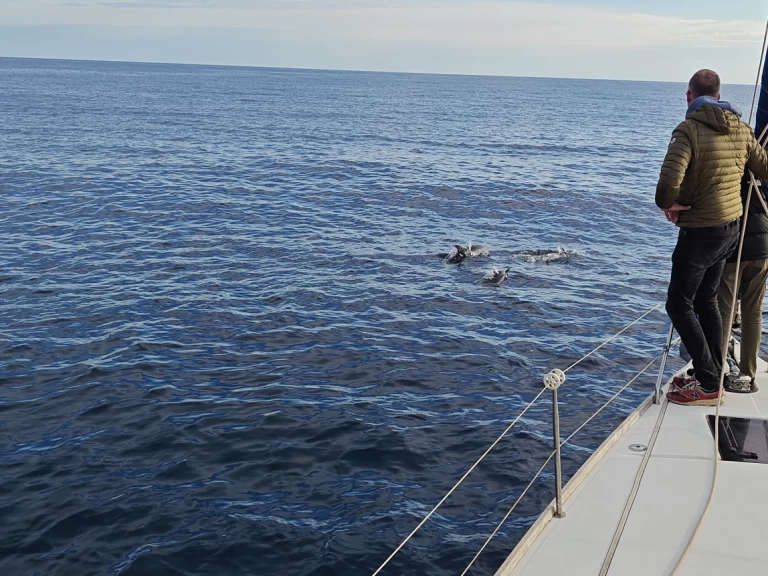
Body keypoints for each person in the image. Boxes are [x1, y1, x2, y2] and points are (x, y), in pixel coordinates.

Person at [656, 69, 768, 406]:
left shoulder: (687, 130)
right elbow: (764, 168)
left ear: (689, 97)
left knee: (678, 303)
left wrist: (671, 203)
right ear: (718, 97)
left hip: (701, 231)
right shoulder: (740, 128)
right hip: (730, 229)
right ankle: (714, 370)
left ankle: (707, 383)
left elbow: (665, 189)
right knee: (706, 299)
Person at [717, 175, 768, 392]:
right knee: (753, 311)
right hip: (763, 248)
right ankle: (748, 371)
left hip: (733, 248)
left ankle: (717, 370)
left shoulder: (733, 167)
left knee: (724, 312)